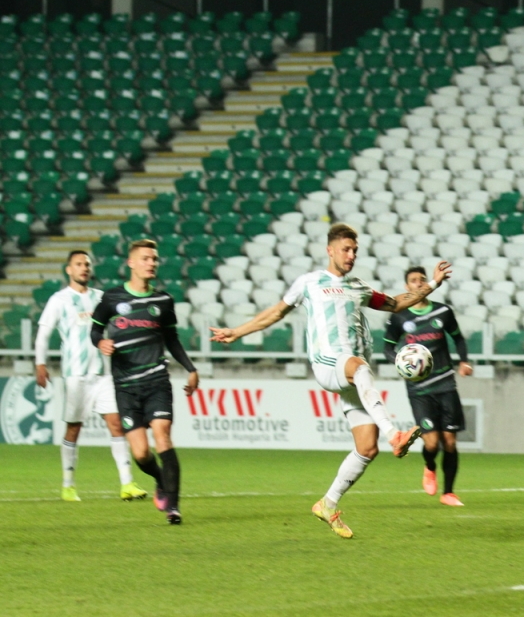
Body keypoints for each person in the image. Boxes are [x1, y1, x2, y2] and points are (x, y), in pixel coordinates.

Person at [210, 223, 449, 539]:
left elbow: (396, 303)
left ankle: (328, 503)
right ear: (330, 250)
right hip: (328, 362)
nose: (351, 255)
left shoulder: (359, 287)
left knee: (367, 447)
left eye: (355, 250)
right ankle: (395, 435)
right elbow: (276, 312)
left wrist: (433, 283)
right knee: (361, 368)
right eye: (346, 249)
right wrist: (237, 331)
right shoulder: (310, 283)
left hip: (350, 371)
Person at [89, 239, 199, 525]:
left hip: (156, 380)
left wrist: (190, 368)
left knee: (163, 435)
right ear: (131, 263)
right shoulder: (112, 298)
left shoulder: (163, 301)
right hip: (125, 387)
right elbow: (95, 331)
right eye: (146, 258)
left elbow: (172, 339)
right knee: (140, 453)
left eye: (154, 259)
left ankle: (173, 507)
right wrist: (101, 342)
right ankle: (161, 479)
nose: (151, 263)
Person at [36, 250, 145, 503]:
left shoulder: (101, 297)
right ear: (69, 270)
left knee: (116, 423)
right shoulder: (59, 300)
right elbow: (43, 334)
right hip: (75, 375)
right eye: (78, 264)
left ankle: (127, 483)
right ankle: (68, 485)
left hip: (103, 373)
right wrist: (40, 364)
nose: (84, 268)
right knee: (74, 428)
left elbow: (120, 325)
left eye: (86, 264)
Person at [383, 265, 472, 507]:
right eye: (414, 280)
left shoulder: (443, 311)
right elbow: (387, 347)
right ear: (406, 286)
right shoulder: (400, 316)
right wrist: (400, 361)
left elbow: (458, 338)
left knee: (450, 442)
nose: (419, 283)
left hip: (445, 383)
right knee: (431, 443)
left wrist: (464, 361)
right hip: (419, 389)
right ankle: (430, 466)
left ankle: (449, 492)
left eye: (422, 279)